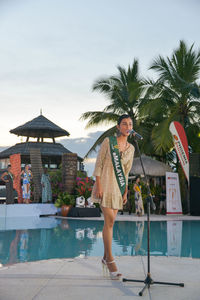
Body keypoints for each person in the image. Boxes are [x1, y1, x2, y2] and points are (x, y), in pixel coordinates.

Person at [91, 114, 135, 279]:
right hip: (105, 184)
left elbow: (126, 171)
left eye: (130, 124)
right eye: (124, 124)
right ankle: (110, 260)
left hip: (119, 187)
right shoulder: (108, 142)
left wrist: (125, 191)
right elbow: (99, 163)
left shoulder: (131, 148)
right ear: (118, 127)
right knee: (109, 221)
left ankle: (104, 258)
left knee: (109, 223)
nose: (127, 126)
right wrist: (99, 185)